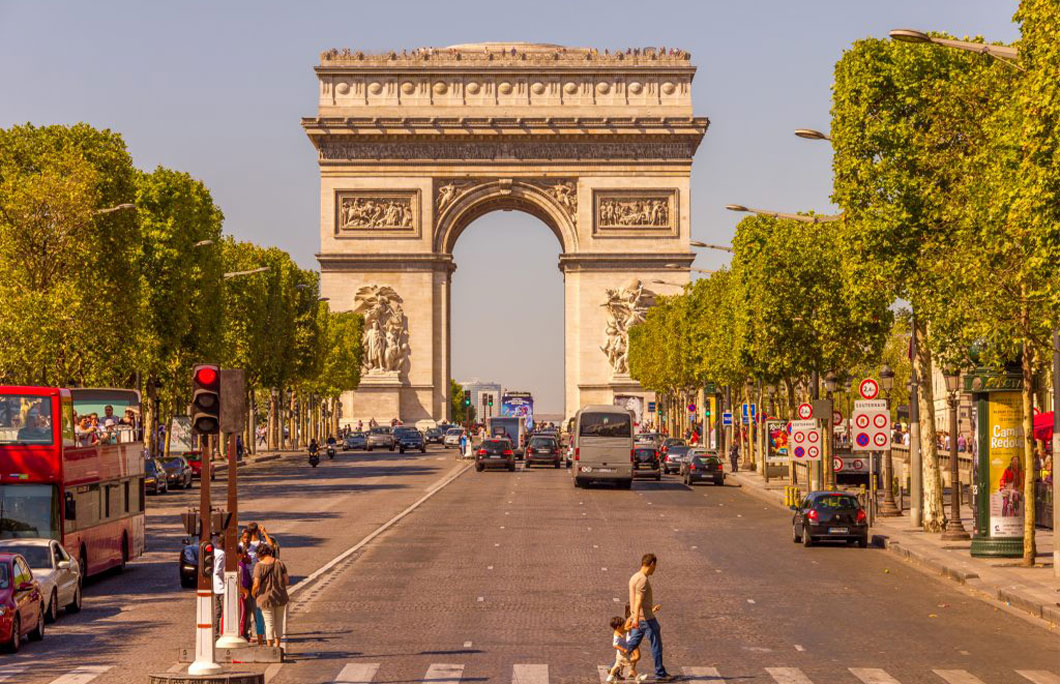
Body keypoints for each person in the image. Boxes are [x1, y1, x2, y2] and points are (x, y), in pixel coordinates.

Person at [625, 553, 672, 681]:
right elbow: (638, 600)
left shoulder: (634, 577)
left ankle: (614, 666)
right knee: (656, 645)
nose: (655, 569)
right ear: (651, 564)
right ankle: (660, 673)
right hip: (646, 619)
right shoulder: (643, 580)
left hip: (638, 617)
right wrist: (635, 620)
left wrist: (634, 617)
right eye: (655, 566)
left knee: (631, 645)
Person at [251, 543, 289, 650]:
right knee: (279, 623)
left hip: (265, 598)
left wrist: (253, 592)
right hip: (280, 597)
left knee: (269, 623)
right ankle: (277, 647)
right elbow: (287, 580)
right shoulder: (280, 563)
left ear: (259, 554)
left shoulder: (259, 566)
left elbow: (256, 584)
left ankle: (269, 648)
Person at [606, 615, 639, 682]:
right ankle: (638, 678)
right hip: (622, 654)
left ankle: (610, 677)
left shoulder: (619, 631)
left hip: (621, 654)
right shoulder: (617, 635)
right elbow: (614, 645)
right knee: (629, 665)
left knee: (616, 666)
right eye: (623, 625)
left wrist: (632, 627)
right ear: (618, 627)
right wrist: (623, 649)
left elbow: (625, 630)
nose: (624, 626)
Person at [212, 535, 226, 634]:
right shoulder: (222, 553)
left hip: (215, 586)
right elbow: (218, 570)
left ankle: (216, 633)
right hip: (222, 586)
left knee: (217, 612)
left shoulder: (214, 552)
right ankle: (223, 632)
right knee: (225, 612)